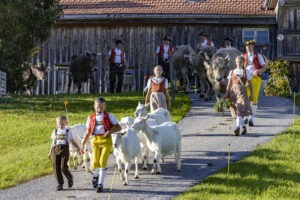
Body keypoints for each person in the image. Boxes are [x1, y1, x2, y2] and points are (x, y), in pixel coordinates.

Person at [81, 97, 121, 193]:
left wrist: (110, 131)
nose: (100, 109)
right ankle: (95, 176)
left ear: (105, 107)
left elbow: (119, 127)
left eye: (102, 108)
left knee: (102, 162)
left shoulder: (109, 116)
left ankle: (100, 184)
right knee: (94, 163)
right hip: (95, 141)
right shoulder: (90, 118)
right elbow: (88, 132)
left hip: (106, 141)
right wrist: (82, 144)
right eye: (98, 107)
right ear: (94, 106)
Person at [48, 115, 81, 191]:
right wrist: (50, 153)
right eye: (59, 124)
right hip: (55, 150)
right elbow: (53, 143)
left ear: (66, 123)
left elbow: (72, 141)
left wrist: (78, 147)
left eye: (62, 124)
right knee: (56, 167)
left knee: (63, 167)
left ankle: (70, 178)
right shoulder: (55, 132)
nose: (60, 125)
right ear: (57, 124)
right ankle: (60, 184)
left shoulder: (68, 131)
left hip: (65, 150)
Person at [224, 56, 253, 136]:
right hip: (233, 92)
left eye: (240, 62)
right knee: (235, 111)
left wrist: (251, 94)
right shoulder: (232, 72)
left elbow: (250, 84)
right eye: (237, 62)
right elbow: (229, 84)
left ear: (243, 63)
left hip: (242, 92)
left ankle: (237, 128)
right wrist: (227, 94)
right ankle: (243, 126)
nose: (239, 64)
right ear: (235, 62)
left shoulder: (246, 72)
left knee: (240, 109)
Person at [243, 39, 267, 126]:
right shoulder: (243, 56)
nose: (248, 47)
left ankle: (251, 118)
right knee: (246, 98)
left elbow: (264, 68)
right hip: (245, 79)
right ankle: (245, 116)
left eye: (249, 46)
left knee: (254, 99)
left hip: (255, 78)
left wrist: (257, 70)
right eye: (247, 46)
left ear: (253, 46)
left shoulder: (258, 56)